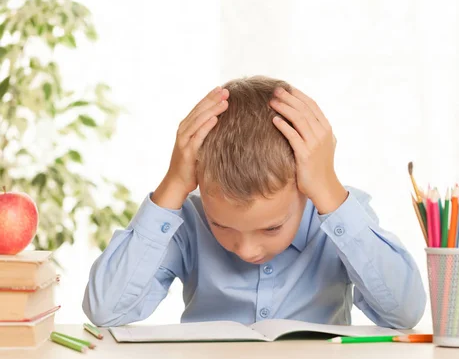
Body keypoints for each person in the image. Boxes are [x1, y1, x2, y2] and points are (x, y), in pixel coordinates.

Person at [83, 76, 426, 328]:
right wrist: (173, 184)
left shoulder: (336, 216)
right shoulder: (189, 218)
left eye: (272, 227)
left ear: (306, 188)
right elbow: (105, 310)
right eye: (222, 225)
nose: (246, 250)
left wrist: (329, 191)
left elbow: (404, 312)